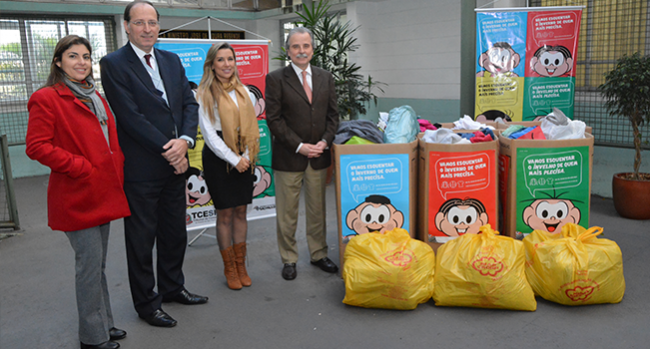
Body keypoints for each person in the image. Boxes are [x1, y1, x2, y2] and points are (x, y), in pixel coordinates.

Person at [100, 0, 207, 328]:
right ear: (127, 26)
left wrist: (185, 141)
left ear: (159, 26)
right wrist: (169, 149)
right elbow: (130, 117)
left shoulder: (171, 61)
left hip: (176, 164)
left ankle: (173, 288)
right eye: (140, 22)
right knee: (142, 239)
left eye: (152, 22)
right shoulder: (113, 63)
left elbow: (190, 104)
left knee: (174, 232)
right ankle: (147, 304)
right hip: (143, 169)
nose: (147, 28)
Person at [25, 35, 130, 349]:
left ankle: (105, 323)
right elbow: (37, 147)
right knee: (88, 266)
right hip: (76, 194)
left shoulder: (93, 94)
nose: (81, 62)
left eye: (86, 56)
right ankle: (92, 337)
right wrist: (79, 166)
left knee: (96, 265)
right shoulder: (46, 98)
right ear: (58, 62)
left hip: (102, 191)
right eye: (73, 56)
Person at [265, 27, 340, 280]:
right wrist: (299, 145)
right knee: (287, 213)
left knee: (318, 210)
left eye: (305, 46)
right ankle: (289, 259)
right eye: (295, 47)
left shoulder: (325, 77)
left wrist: (324, 142)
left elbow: (333, 116)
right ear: (288, 50)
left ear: (312, 48)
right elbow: (273, 120)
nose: (301, 51)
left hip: (319, 156)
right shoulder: (276, 79)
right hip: (289, 156)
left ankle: (318, 254)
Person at [196, 43, 260, 290]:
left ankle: (241, 264)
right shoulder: (203, 93)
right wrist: (233, 159)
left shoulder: (244, 91)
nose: (226, 64)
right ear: (212, 64)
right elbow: (210, 136)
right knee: (225, 214)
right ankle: (229, 268)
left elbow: (250, 128)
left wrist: (244, 156)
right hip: (218, 157)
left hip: (245, 152)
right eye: (220, 60)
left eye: (230, 59)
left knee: (241, 211)